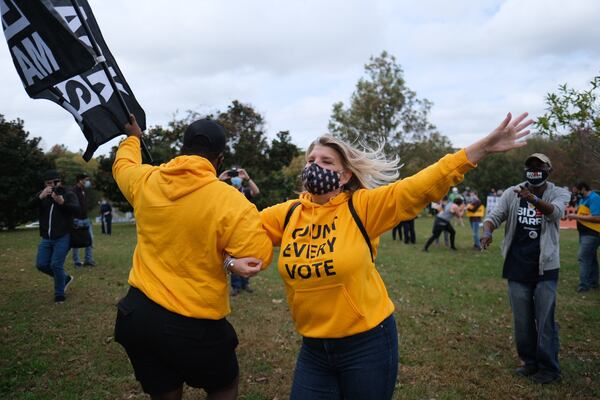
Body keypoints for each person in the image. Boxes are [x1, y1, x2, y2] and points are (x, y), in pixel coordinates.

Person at [251, 112, 532, 399]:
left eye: (326, 161)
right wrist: (234, 260)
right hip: (313, 347)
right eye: (311, 161)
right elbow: (238, 229)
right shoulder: (285, 214)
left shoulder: (362, 207)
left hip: (366, 344)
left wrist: (482, 147)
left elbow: (421, 185)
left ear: (345, 174)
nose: (315, 166)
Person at [113, 116, 273, 400]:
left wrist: (133, 138)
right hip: (195, 323)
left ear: (183, 148)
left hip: (138, 315)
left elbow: (123, 165)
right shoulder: (232, 201)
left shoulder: (146, 180)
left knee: (164, 390)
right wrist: (228, 259)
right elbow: (257, 255)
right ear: (220, 160)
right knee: (224, 385)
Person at [481, 153, 570, 385]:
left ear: (548, 169)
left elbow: (555, 213)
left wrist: (531, 198)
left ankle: (549, 368)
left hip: (546, 266)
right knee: (522, 320)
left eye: (538, 166)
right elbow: (495, 215)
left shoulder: (560, 192)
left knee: (544, 319)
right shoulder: (513, 192)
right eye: (530, 166)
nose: (533, 170)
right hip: (517, 264)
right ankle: (529, 363)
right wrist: (488, 231)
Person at [30, 170, 79, 303]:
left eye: (53, 183)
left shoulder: (68, 194)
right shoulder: (42, 195)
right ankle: (65, 278)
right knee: (41, 264)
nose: (51, 186)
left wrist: (62, 203)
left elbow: (77, 210)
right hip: (46, 237)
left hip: (63, 236)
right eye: (48, 183)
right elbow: (29, 206)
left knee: (56, 264)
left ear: (59, 182)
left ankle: (59, 294)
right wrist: (40, 197)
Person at [219, 167, 260, 295]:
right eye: (234, 175)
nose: (236, 178)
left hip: (246, 228)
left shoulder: (245, 191)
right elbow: (212, 193)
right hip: (231, 229)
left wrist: (247, 178)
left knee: (246, 255)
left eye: (238, 175)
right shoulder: (227, 192)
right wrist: (220, 179)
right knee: (234, 257)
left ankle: (245, 283)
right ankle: (236, 286)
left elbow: (256, 192)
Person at [567, 182, 600, 292]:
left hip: (593, 233)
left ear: (583, 189)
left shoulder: (594, 198)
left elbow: (597, 218)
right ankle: (593, 283)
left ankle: (583, 286)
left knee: (583, 258)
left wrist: (575, 216)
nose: (576, 194)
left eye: (577, 191)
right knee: (591, 259)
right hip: (585, 233)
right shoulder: (582, 199)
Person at [71, 173, 96, 267]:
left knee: (90, 239)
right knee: (76, 242)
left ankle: (88, 260)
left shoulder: (83, 191)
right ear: (80, 180)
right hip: (77, 219)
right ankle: (76, 262)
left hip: (86, 219)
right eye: (85, 180)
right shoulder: (73, 191)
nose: (87, 182)